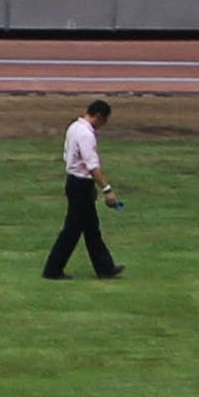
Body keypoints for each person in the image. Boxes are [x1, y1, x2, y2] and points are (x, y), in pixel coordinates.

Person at [46, 98, 123, 281]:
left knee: (91, 229)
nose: (102, 126)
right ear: (98, 116)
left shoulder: (74, 127)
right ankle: (53, 269)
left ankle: (105, 268)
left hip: (74, 182)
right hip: (81, 184)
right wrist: (107, 189)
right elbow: (92, 166)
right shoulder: (87, 135)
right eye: (104, 121)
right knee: (72, 231)